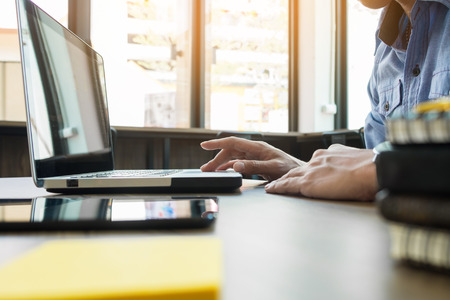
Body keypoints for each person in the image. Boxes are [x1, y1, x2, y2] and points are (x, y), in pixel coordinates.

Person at [200, 0, 450, 201]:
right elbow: (375, 177)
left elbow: (377, 169)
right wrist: (303, 169)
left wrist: (380, 170)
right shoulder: (387, 46)